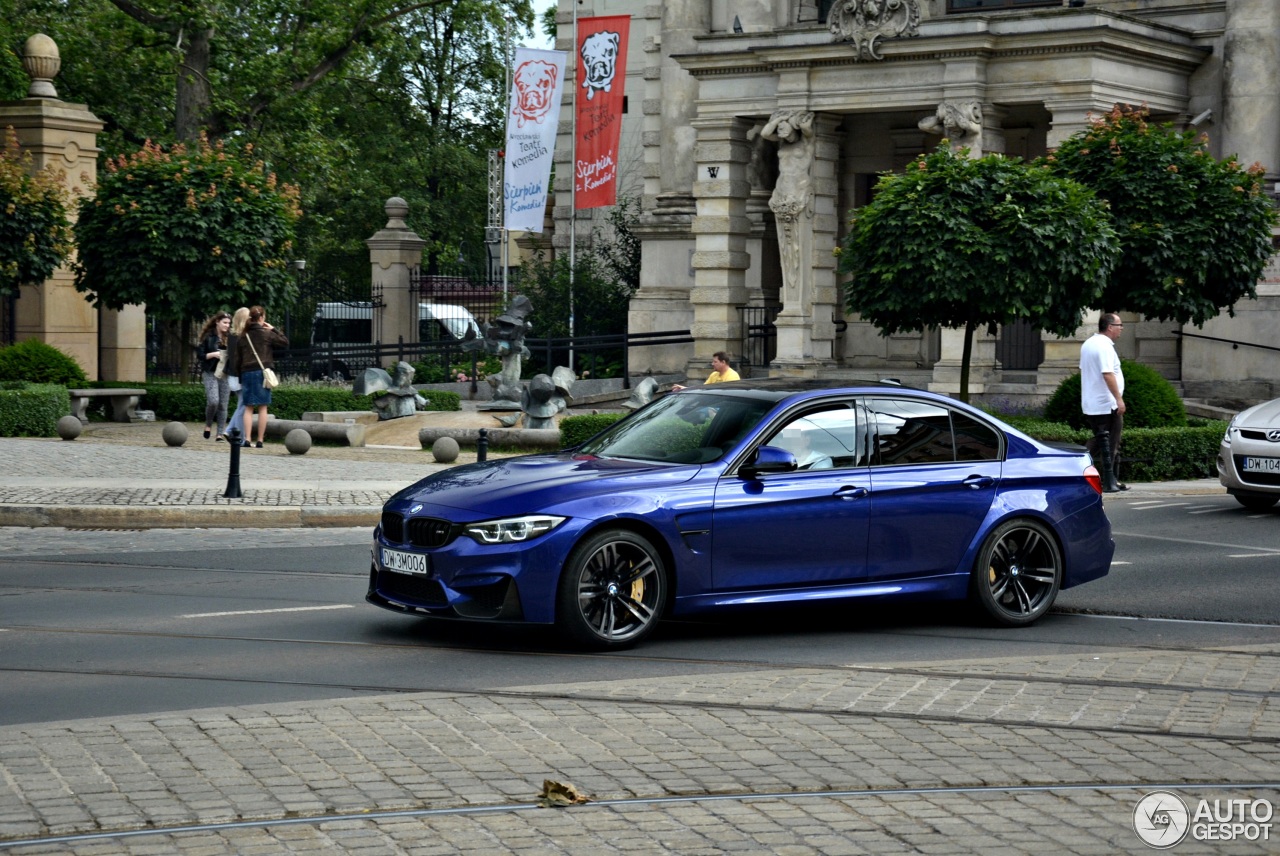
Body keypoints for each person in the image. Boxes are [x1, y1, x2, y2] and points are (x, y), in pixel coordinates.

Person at [1080, 312, 1127, 492]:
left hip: (1093, 403)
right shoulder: (1104, 346)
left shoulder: (1089, 344)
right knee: (1110, 443)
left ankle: (1110, 478)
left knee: (1100, 441)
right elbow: (1108, 374)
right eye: (1119, 325)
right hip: (1106, 405)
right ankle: (1109, 480)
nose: (1121, 328)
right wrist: (1119, 400)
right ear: (1110, 327)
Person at [234, 305, 288, 448]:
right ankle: (260, 440)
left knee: (248, 408)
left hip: (246, 373)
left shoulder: (243, 336)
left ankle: (246, 439)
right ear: (262, 318)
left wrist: (240, 378)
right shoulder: (267, 334)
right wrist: (273, 328)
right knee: (263, 407)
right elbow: (285, 342)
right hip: (262, 373)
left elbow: (238, 360)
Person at [196, 312, 231, 441]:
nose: (227, 325)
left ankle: (220, 433)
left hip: (224, 373)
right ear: (217, 322)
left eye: (228, 323)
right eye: (224, 322)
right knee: (213, 401)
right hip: (210, 371)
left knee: (223, 404)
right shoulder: (208, 336)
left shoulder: (230, 337)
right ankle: (208, 424)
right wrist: (213, 354)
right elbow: (200, 355)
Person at [223, 307, 250, 443]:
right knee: (244, 406)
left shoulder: (232, 336)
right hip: (240, 375)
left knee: (242, 405)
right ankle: (236, 435)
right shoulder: (243, 336)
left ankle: (231, 431)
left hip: (232, 374)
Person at [672, 352, 740, 392]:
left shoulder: (732, 376)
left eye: (715, 362)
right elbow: (703, 389)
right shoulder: (714, 374)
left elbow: (726, 395)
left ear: (723, 362)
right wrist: (685, 389)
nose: (712, 364)